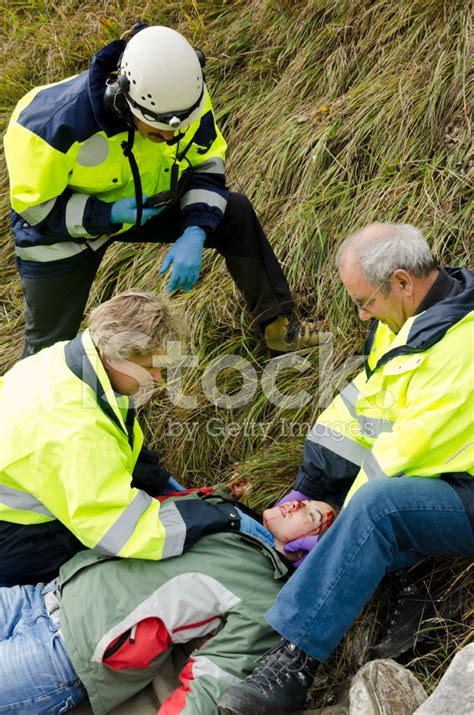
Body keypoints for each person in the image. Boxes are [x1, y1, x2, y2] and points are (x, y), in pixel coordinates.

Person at [218, 222, 474, 715]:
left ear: (403, 281)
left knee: (376, 511)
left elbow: (401, 458)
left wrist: (331, 523)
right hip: (436, 471)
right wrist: (306, 490)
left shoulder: (462, 350)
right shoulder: (408, 320)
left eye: (365, 301)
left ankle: (294, 661)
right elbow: (363, 407)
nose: (360, 315)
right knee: (360, 512)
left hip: (463, 488)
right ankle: (400, 580)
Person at [3, 22, 320, 357]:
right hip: (63, 229)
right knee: (47, 349)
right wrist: (108, 213)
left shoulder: (184, 96)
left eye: (175, 129)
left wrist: (196, 229)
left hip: (147, 203)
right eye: (157, 131)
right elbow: (37, 210)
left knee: (234, 213)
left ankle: (280, 330)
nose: (170, 137)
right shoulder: (47, 125)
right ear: (122, 100)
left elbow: (207, 164)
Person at [0, 290, 271, 586]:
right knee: (115, 570)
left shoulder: (68, 358)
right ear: (113, 357)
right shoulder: (80, 437)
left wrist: (158, 481)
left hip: (34, 485)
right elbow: (124, 533)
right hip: (20, 538)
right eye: (149, 367)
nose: (157, 378)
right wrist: (214, 518)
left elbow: (115, 433)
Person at [0, 491, 336, 714]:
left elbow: (213, 677)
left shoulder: (266, 591)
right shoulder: (223, 519)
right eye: (304, 501)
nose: (297, 504)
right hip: (40, 596)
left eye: (312, 516)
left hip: (62, 656)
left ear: (310, 550)